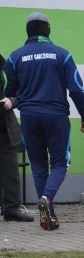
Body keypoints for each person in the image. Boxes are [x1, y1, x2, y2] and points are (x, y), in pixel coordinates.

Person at [1, 12, 84, 230]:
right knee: (60, 163)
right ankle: (47, 200)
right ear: (48, 29)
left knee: (39, 166)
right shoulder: (62, 54)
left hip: (29, 118)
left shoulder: (15, 57)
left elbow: (9, 92)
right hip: (56, 117)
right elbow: (76, 89)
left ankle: (48, 216)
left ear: (27, 31)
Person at [0, 53, 33, 222]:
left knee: (10, 169)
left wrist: (12, 100)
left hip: (4, 126)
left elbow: (20, 92)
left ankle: (12, 208)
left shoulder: (6, 66)